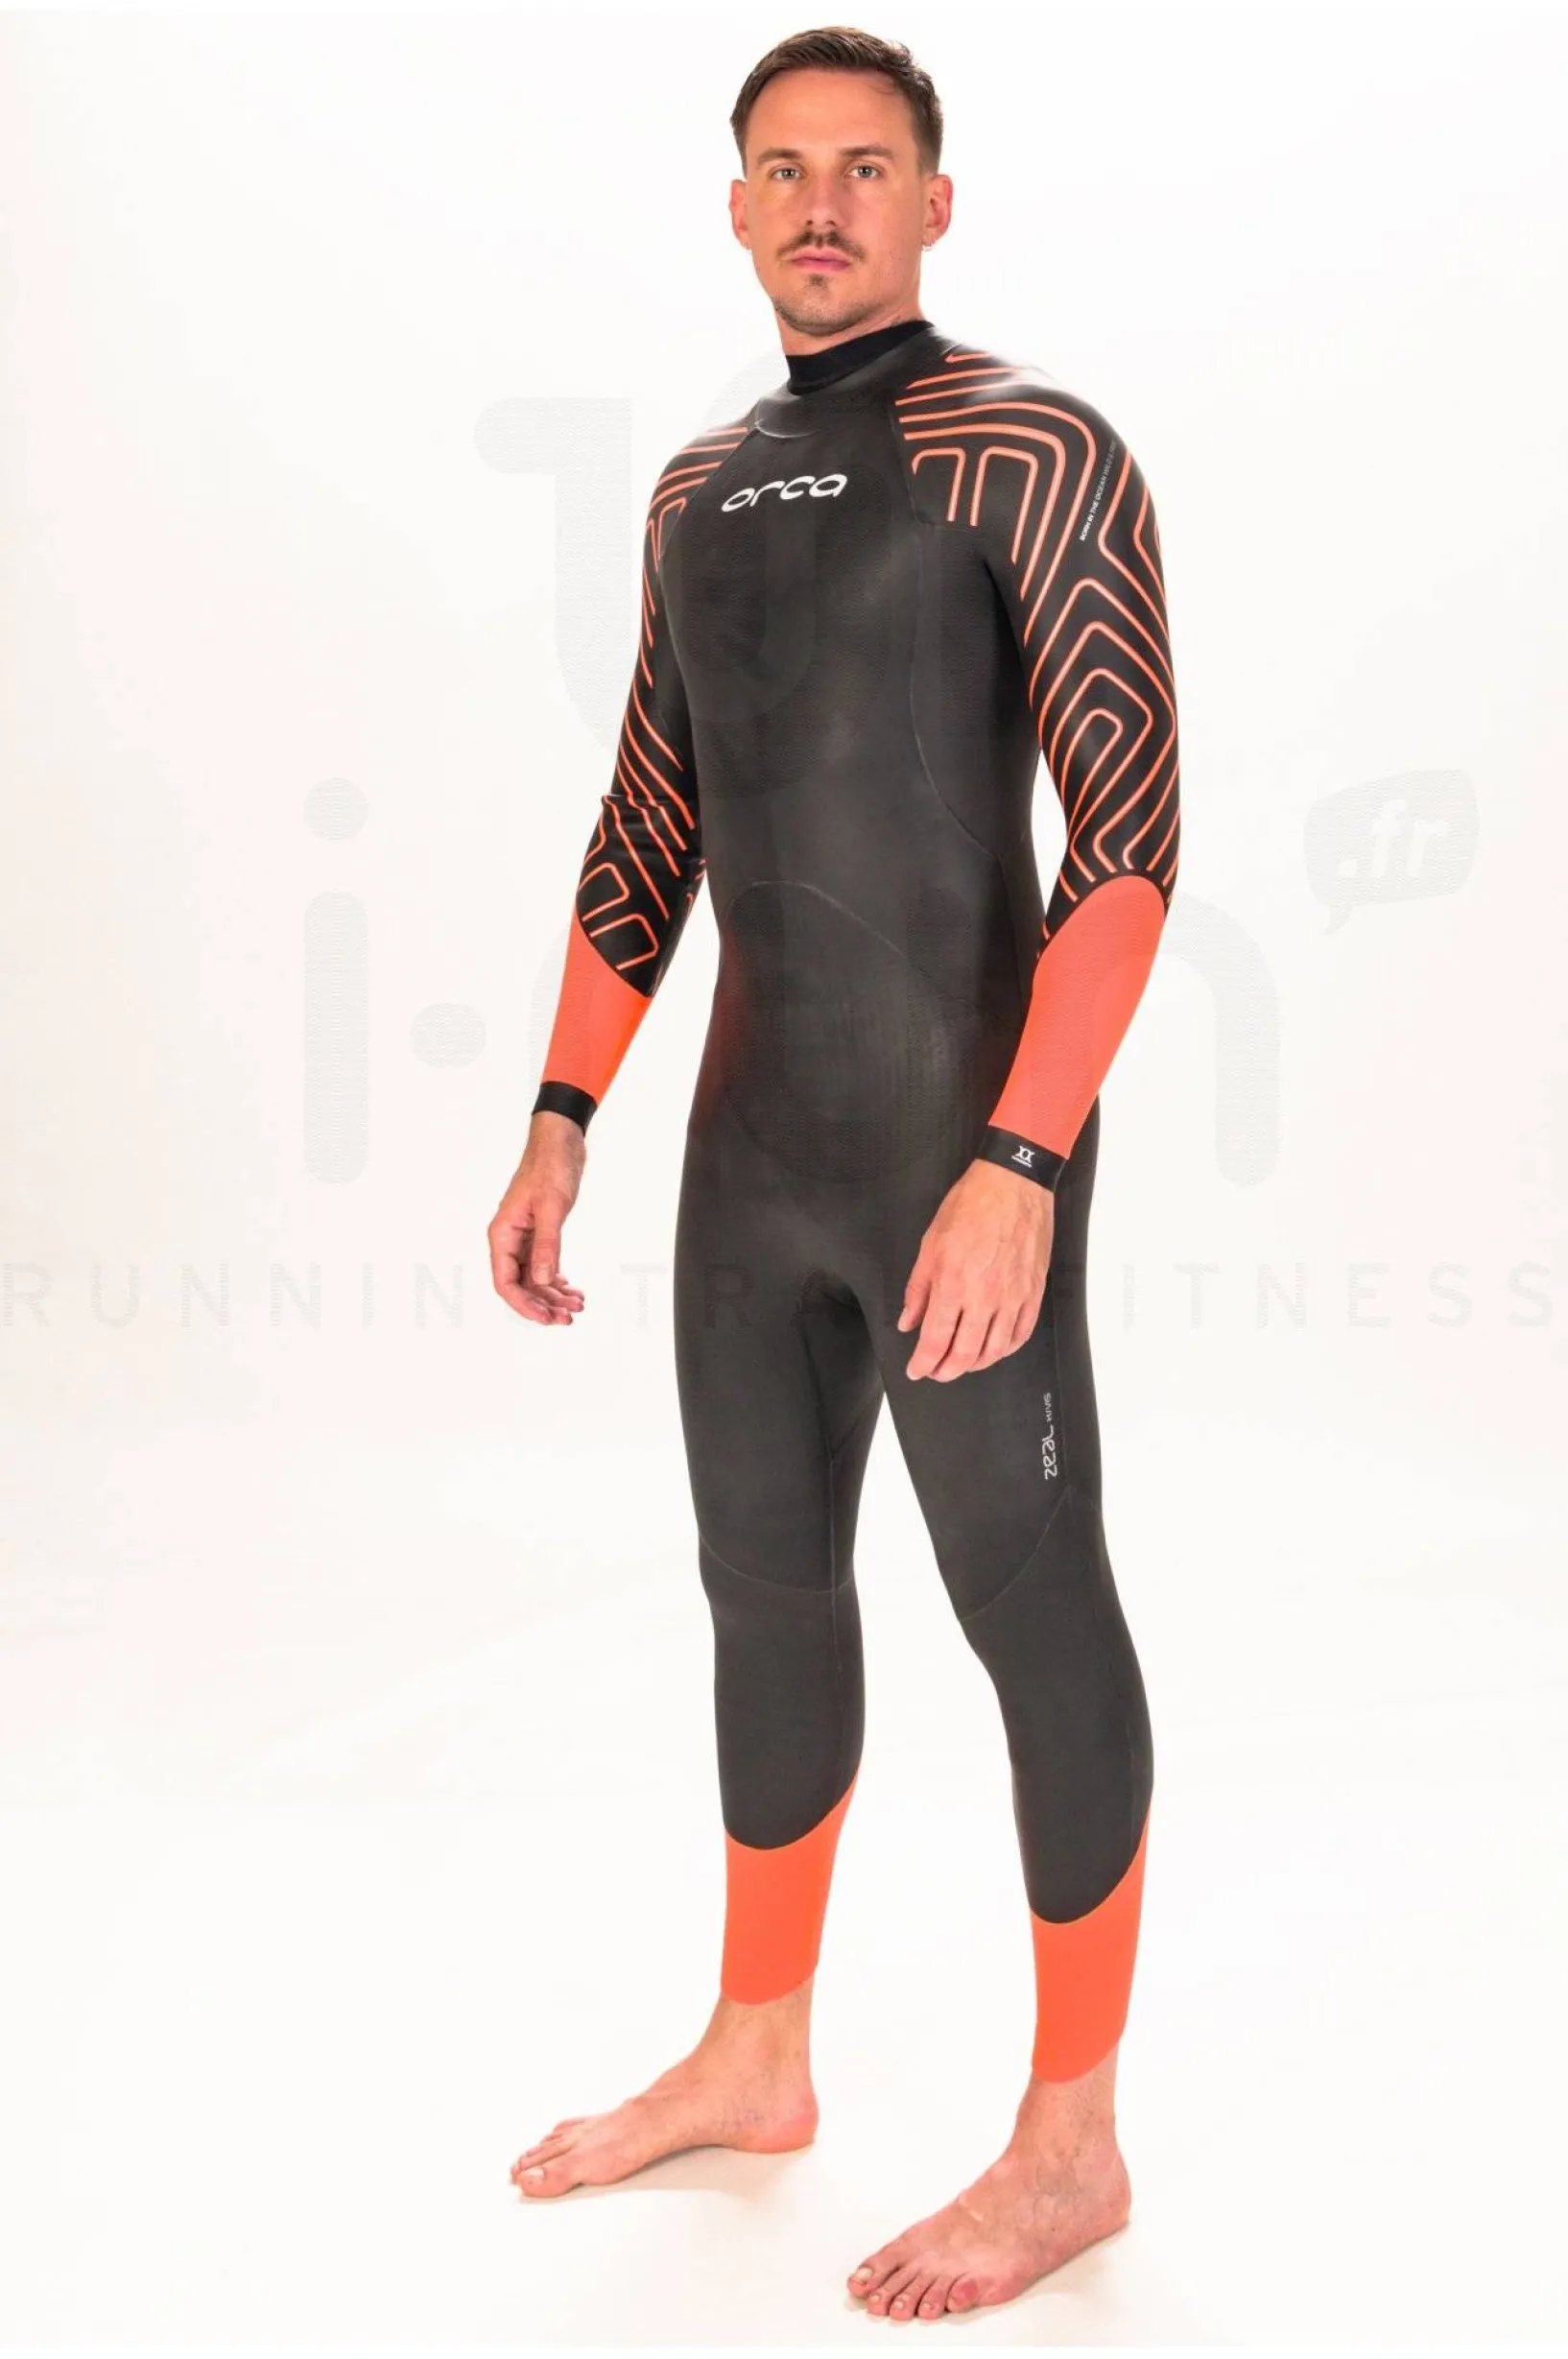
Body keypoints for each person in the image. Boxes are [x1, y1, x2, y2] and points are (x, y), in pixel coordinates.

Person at [493, 25, 1181, 2321]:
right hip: (750, 1161)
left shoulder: (1028, 446)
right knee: (763, 1589)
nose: (820, 203)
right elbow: (647, 821)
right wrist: (563, 1110)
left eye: (864, 167)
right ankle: (757, 2050)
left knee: (1030, 1599)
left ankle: (1070, 2142)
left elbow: (1127, 846)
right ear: (734, 207)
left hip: (958, 1152)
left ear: (933, 201)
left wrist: (1021, 1155)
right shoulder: (699, 492)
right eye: (781, 169)